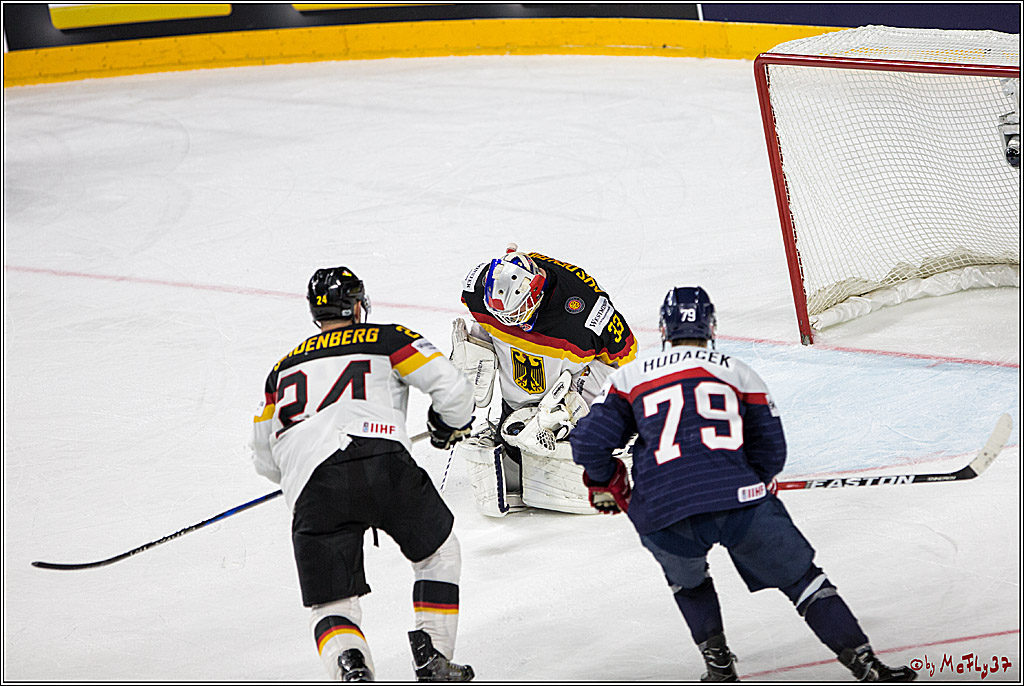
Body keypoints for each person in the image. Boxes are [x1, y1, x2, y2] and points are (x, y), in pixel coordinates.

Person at [569, 286, 917, 682]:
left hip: (663, 506)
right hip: (740, 500)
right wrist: (758, 481)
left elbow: (590, 442)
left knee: (688, 583)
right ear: (711, 326)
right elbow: (771, 451)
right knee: (805, 581)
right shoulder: (737, 371)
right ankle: (866, 666)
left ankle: (719, 669)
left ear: (664, 328)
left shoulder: (630, 375)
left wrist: (605, 482)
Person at [249, 266, 477, 682]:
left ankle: (350, 664)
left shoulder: (281, 369)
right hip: (383, 464)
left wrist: (301, 472)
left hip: (313, 491)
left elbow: (266, 459)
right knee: (437, 554)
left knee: (332, 603)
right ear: (357, 306)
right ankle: (434, 656)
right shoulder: (388, 338)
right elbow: (455, 389)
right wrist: (448, 424)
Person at [450, 243, 638, 516]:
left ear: (536, 293)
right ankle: (521, 437)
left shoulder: (586, 312)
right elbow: (487, 323)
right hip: (521, 395)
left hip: (567, 390)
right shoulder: (478, 289)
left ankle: (578, 437)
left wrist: (577, 404)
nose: (511, 323)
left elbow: (626, 359)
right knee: (514, 432)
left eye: (516, 315)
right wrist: (476, 348)